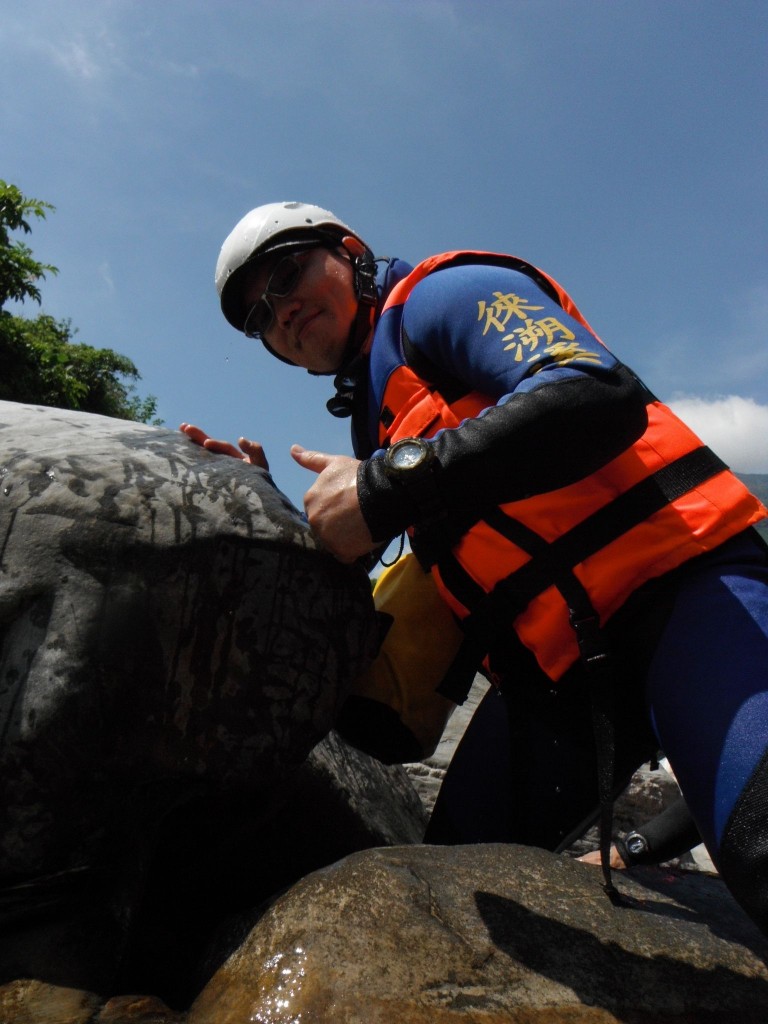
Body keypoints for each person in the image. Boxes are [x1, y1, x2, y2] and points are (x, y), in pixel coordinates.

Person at [183, 201, 768, 933]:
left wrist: (381, 485)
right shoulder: (377, 422)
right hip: (562, 685)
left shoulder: (439, 298)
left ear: (351, 251)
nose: (281, 310)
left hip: (685, 591)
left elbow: (595, 394)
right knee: (433, 904)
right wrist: (273, 515)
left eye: (289, 271)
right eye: (258, 316)